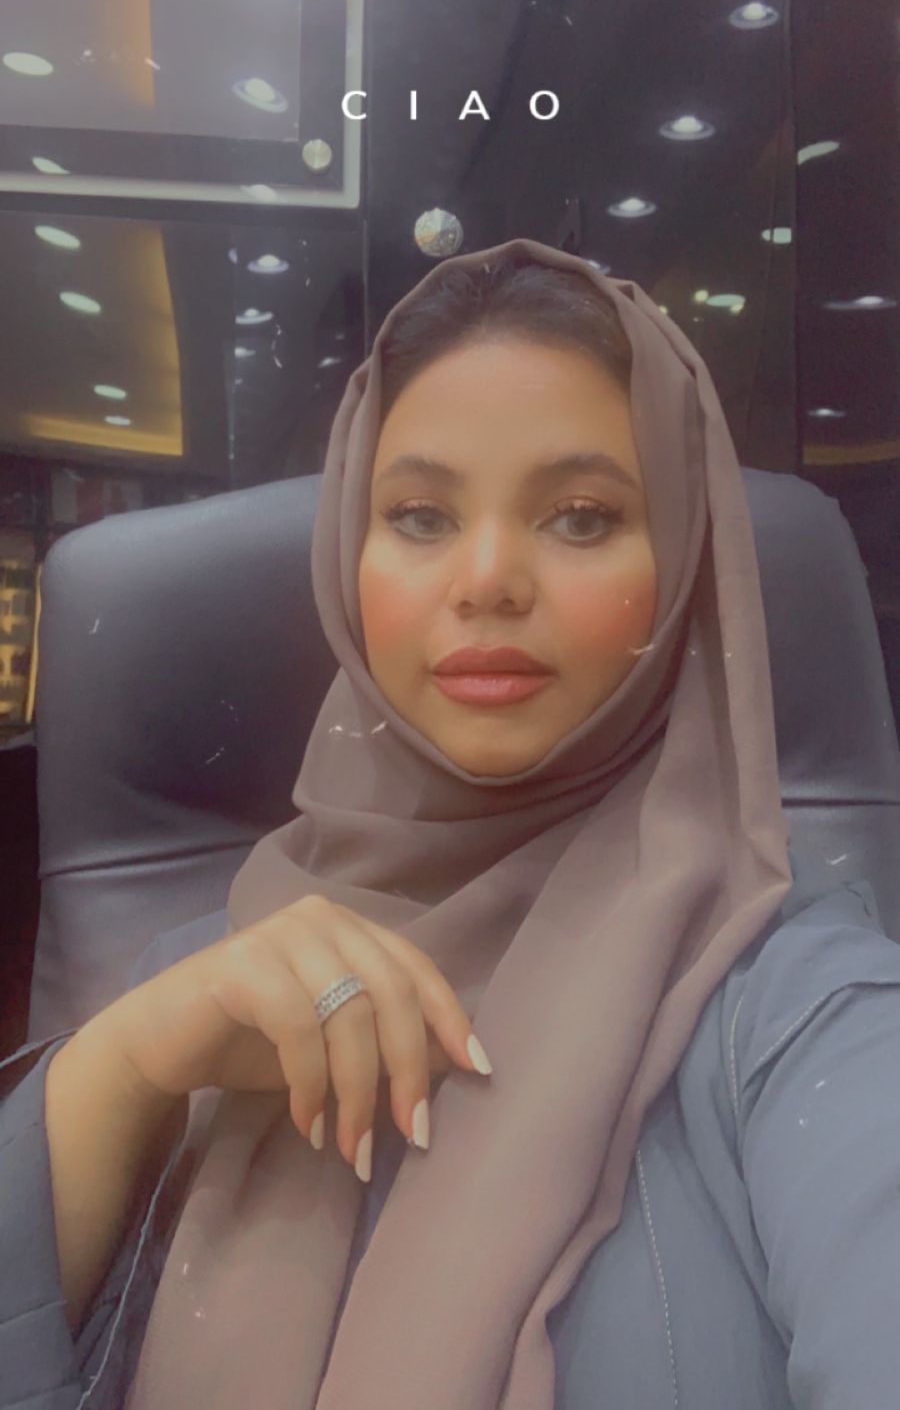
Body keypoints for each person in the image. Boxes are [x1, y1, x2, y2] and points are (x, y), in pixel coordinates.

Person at [3, 237, 900, 1410]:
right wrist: (120, 1069)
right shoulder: (204, 988)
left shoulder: (791, 1001)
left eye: (581, 517)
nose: (486, 578)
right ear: (351, 557)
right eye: (420, 515)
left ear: (681, 567)